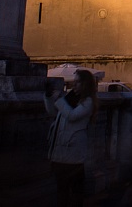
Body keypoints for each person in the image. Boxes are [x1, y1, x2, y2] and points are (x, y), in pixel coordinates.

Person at [45, 69, 98, 207]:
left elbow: (72, 115)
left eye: (78, 82)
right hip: (60, 153)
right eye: (74, 82)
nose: (74, 85)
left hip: (74, 156)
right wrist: (48, 97)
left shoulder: (88, 102)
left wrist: (59, 99)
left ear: (85, 84)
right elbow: (53, 112)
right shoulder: (69, 98)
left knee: (75, 193)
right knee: (61, 192)